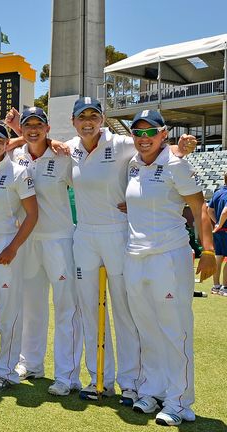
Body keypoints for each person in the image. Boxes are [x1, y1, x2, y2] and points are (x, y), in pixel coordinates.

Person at [9, 97, 196, 402]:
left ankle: (132, 382)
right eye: (82, 117)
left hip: (119, 235)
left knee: (125, 312)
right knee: (88, 311)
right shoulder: (70, 148)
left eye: (93, 116)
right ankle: (99, 379)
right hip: (84, 237)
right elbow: (41, 144)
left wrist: (180, 147)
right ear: (73, 122)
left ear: (102, 118)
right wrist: (25, 133)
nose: (88, 122)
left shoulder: (122, 143)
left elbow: (155, 148)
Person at [122, 109, 215, 426]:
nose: (143, 139)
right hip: (135, 257)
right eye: (138, 133)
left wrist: (208, 249)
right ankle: (153, 390)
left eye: (151, 133)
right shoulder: (133, 165)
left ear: (163, 134)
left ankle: (179, 401)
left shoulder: (176, 164)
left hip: (169, 257)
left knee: (174, 330)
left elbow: (198, 205)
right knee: (146, 329)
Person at [10, 107, 83, 396]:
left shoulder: (63, 156)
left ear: (48, 127)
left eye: (39, 125)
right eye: (28, 125)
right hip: (28, 240)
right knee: (31, 305)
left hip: (59, 239)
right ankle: (31, 363)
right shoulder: (17, 156)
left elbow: (88, 183)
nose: (33, 129)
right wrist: (17, 138)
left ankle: (67, 375)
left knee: (66, 308)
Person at [0, 120, 38, 393]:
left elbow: (33, 214)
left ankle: (6, 369)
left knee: (8, 314)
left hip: (6, 248)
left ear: (6, 143)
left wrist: (13, 247)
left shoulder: (18, 172)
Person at [207, 173, 227, 295]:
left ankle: (216, 286)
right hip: (225, 230)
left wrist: (216, 224)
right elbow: (225, 212)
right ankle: (225, 287)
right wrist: (219, 224)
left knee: (218, 258)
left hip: (218, 232)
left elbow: (209, 210)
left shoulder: (218, 193)